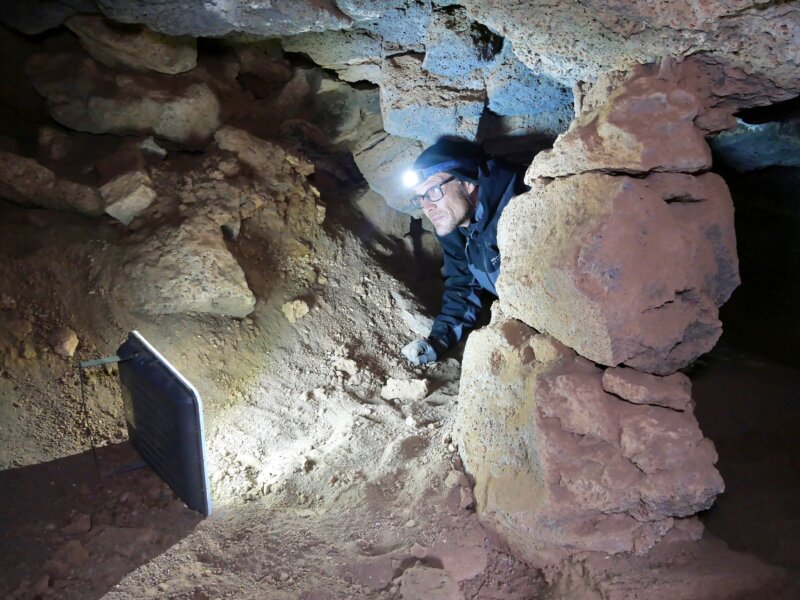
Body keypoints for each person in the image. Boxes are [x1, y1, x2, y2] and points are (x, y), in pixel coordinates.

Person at [400, 137, 529, 366]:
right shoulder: (455, 225)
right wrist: (438, 341)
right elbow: (463, 283)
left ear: (468, 182)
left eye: (433, 191)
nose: (427, 207)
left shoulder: (523, 203)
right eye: (420, 198)